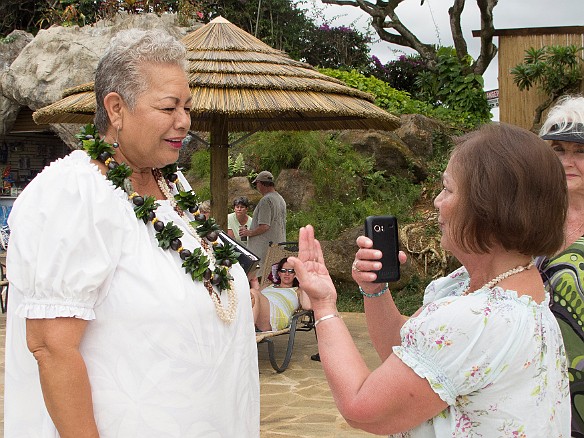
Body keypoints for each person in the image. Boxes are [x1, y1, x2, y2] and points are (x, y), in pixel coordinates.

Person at [4, 29, 259, 437]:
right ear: (116, 109)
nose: (184, 121)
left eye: (187, 107)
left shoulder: (172, 185)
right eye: (169, 107)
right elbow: (52, 347)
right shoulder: (74, 195)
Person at [288, 123, 571, 436]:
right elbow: (412, 356)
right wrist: (376, 291)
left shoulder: (473, 319)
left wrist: (323, 306)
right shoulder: (517, 286)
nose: (437, 201)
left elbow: (363, 409)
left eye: (448, 189)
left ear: (487, 208)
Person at [537, 94, 584, 436]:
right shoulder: (530, 218)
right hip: (539, 386)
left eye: (581, 151)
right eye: (558, 150)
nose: (568, 161)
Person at [240, 170, 286, 278]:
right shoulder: (280, 199)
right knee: (273, 277)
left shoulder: (266, 200)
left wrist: (249, 232)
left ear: (260, 183)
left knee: (259, 278)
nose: (257, 187)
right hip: (278, 245)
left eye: (256, 184)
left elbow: (264, 226)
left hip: (264, 249)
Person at [251, 257, 311, 331]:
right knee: (248, 294)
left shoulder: (298, 290)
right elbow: (253, 297)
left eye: (291, 271)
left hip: (276, 317)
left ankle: (247, 333)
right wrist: (254, 281)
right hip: (260, 314)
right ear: (279, 273)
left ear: (295, 274)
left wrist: (302, 281)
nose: (287, 274)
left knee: (253, 292)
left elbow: (307, 306)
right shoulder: (268, 285)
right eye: (283, 270)